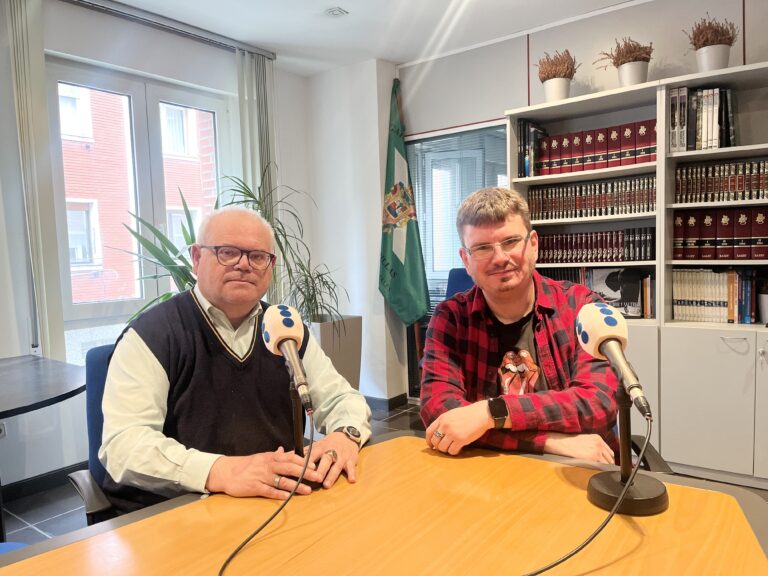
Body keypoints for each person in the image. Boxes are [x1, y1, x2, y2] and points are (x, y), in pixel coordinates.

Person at [100, 206, 371, 514]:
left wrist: (344, 435)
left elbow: (342, 398)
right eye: (228, 252)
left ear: (271, 267)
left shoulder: (285, 329)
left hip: (274, 504)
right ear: (197, 258)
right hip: (177, 511)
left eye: (257, 256)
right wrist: (220, 471)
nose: (244, 265)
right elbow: (124, 446)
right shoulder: (153, 335)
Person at [420, 187, 619, 464]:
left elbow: (597, 404)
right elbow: (441, 416)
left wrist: (488, 415)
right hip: (486, 472)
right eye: (482, 248)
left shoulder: (582, 307)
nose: (500, 258)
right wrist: (548, 442)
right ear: (466, 260)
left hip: (577, 471)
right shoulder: (449, 319)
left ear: (533, 245)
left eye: (511, 241)